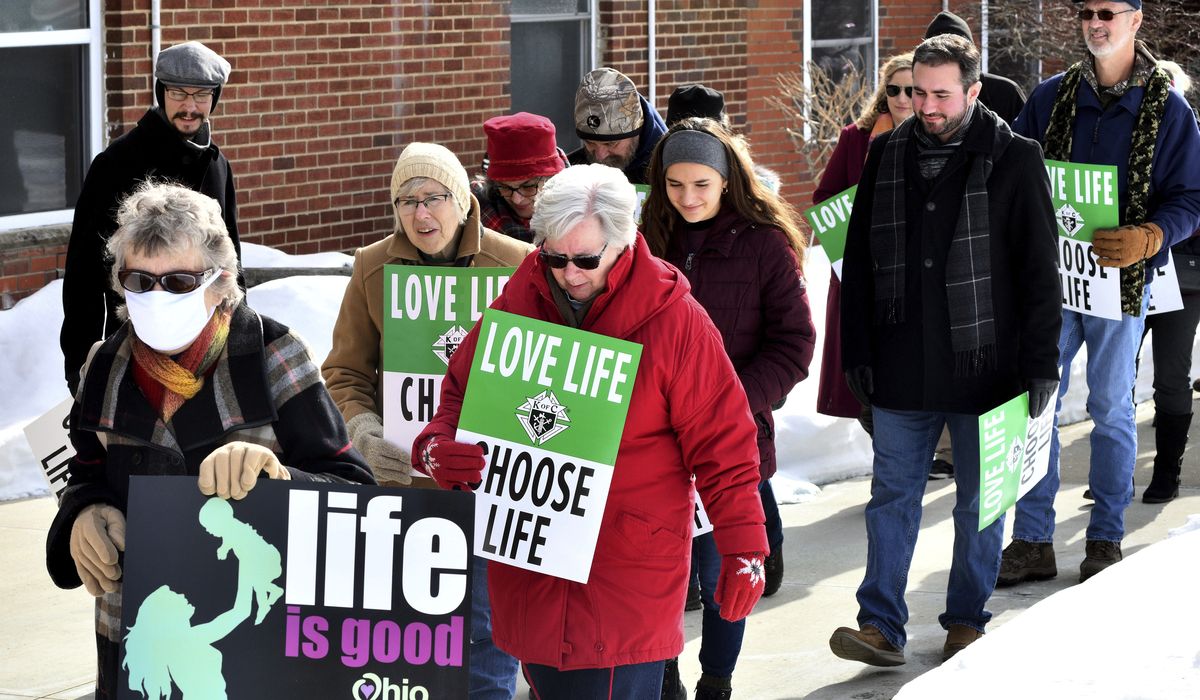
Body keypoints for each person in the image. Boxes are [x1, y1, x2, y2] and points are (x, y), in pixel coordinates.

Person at [411, 163, 768, 699]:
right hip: (531, 573)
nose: (569, 273)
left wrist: (744, 547)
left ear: (623, 245)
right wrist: (437, 447)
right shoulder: (518, 302)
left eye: (585, 259)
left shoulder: (676, 323)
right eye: (554, 257)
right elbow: (458, 395)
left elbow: (725, 447)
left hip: (626, 577)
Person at [44, 182, 375, 700]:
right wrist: (83, 511)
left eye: (178, 281)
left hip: (256, 646)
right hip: (138, 640)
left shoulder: (273, 356)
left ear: (220, 282)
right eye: (139, 280)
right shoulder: (104, 366)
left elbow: (356, 492)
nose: (156, 297)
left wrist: (278, 476)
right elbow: (84, 473)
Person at [831, 34, 1062, 666]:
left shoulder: (1014, 158)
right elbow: (860, 265)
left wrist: (1042, 365)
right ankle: (879, 624)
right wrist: (857, 352)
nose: (925, 106)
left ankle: (966, 617)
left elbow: (1042, 274)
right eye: (915, 93)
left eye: (940, 94)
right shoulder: (885, 154)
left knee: (977, 502)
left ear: (972, 92)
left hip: (987, 367)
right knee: (892, 497)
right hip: (902, 361)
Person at [999, 0, 1200, 586]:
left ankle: (1104, 537)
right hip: (1053, 282)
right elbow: (1012, 173)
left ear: (1135, 21)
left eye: (1109, 11)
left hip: (1121, 284)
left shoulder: (1168, 108)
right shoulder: (1050, 97)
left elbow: (1191, 198)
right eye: (1086, 10)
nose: (1096, 21)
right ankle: (1033, 539)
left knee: (1111, 409)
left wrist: (1152, 234)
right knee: (1036, 408)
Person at [321, 142, 529, 699]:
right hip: (403, 484)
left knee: (487, 635)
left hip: (489, 487)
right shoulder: (372, 267)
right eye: (406, 200)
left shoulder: (515, 263)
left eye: (433, 197)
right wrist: (363, 429)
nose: (420, 213)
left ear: (461, 200)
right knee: (411, 640)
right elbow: (343, 371)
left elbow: (539, 371)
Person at [642, 118, 815, 699]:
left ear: (726, 181)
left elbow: (793, 345)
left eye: (701, 185)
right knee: (661, 574)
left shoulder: (764, 242)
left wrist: (728, 403)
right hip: (651, 441)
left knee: (721, 575)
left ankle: (716, 682)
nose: (687, 198)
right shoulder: (645, 240)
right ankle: (662, 675)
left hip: (732, 438)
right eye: (674, 185)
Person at [60, 41, 241, 396]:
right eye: (178, 93)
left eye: (202, 95)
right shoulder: (116, 165)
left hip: (206, 354)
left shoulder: (218, 167)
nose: (190, 106)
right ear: (161, 93)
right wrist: (81, 369)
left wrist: (239, 341)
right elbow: (83, 277)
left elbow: (232, 268)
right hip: (132, 355)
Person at [814, 52, 914, 430]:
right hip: (862, 273)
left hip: (910, 275)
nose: (902, 98)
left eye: (910, 89)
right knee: (865, 380)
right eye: (893, 89)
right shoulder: (855, 139)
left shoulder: (938, 136)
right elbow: (824, 196)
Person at [1139, 60, 1199, 505]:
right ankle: (1115, 470)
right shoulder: (1129, 140)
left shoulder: (1194, 142)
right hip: (1129, 271)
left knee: (1171, 377)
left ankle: (1167, 472)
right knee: (1116, 378)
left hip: (1184, 275)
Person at [472, 112, 568, 243]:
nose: (516, 199)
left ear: (553, 179)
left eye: (528, 186)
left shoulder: (582, 206)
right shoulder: (476, 204)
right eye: (505, 187)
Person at [924, 10, 1027, 124]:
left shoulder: (1006, 94)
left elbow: (1026, 135)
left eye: (956, 52)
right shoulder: (912, 92)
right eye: (937, 55)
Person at [567, 67, 668, 184]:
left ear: (638, 132)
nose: (600, 156)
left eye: (610, 143)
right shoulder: (571, 170)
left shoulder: (669, 171)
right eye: (590, 142)